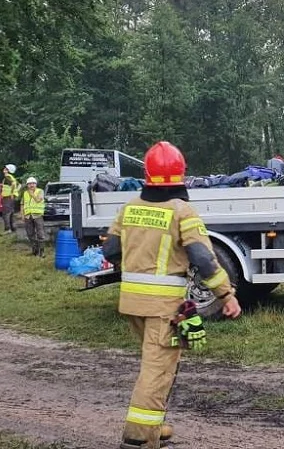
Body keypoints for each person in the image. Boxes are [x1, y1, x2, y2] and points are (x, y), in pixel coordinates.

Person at [102, 141, 242, 449]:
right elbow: (204, 259)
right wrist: (226, 295)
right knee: (157, 369)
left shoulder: (129, 207)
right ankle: (138, 437)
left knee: (155, 363)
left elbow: (110, 250)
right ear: (181, 174)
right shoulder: (181, 210)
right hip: (164, 306)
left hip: (131, 302)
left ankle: (155, 427)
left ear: (147, 174)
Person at [21, 176, 46, 257]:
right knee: (30, 234)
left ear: (36, 184)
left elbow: (38, 200)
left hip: (37, 215)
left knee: (40, 234)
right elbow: (22, 204)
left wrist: (32, 194)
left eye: (33, 183)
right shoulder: (25, 193)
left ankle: (42, 252)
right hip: (28, 216)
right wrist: (22, 215)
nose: (31, 185)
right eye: (29, 184)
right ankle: (35, 250)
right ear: (27, 185)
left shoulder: (40, 191)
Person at [1, 164, 19, 234]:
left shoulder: (7, 177)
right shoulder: (11, 177)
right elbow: (18, 185)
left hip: (8, 197)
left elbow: (14, 184)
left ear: (8, 170)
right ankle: (12, 228)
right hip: (10, 197)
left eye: (5, 168)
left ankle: (7, 229)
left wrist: (11, 193)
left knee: (6, 213)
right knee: (10, 212)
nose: (4, 169)